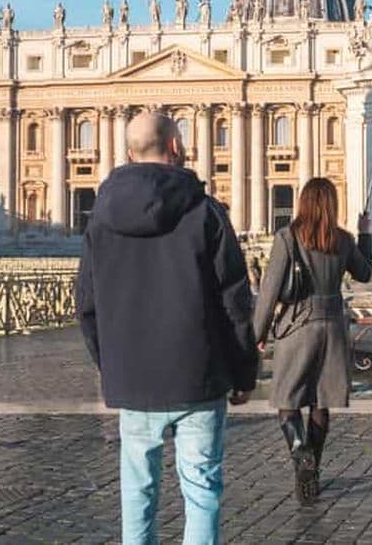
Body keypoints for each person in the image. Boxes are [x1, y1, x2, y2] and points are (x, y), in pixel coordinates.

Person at [76, 112, 257, 544]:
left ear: (128, 153)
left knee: (137, 491)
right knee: (201, 491)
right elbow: (235, 301)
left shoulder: (100, 216)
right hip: (200, 376)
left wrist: (110, 364)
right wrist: (244, 372)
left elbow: (86, 304)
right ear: (175, 148)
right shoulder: (207, 211)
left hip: (134, 379)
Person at [253, 178, 372, 506]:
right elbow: (365, 274)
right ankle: (311, 475)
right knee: (320, 405)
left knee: (287, 403)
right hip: (333, 327)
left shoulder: (287, 238)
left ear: (303, 202)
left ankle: (299, 450)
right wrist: (365, 233)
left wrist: (258, 334)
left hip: (297, 328)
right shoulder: (343, 240)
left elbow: (269, 292)